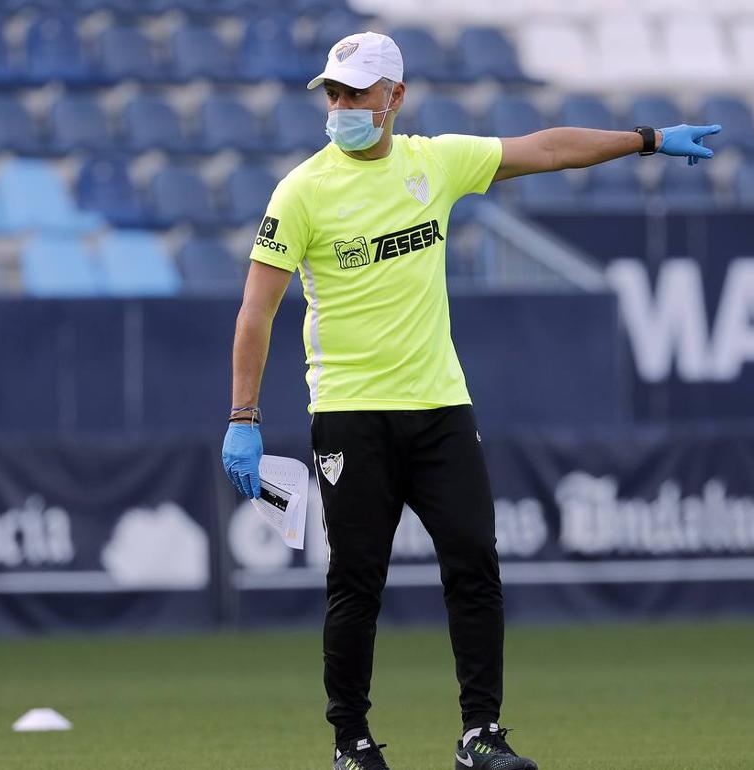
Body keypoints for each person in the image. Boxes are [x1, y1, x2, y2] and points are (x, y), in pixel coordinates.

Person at [221, 30, 720, 770]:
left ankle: (479, 734)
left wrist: (644, 140)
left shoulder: (436, 161)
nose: (341, 105)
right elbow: (256, 310)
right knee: (356, 583)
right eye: (333, 92)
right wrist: (243, 419)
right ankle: (350, 743)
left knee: (474, 565)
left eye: (356, 92)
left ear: (395, 97)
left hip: (441, 409)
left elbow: (546, 150)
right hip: (350, 416)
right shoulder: (300, 192)